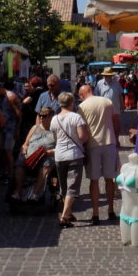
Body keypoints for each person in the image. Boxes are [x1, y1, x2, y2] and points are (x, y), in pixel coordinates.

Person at [78, 83, 121, 224]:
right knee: (110, 179)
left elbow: (82, 129)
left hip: (92, 145)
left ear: (83, 93)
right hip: (109, 143)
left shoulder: (82, 107)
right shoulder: (107, 101)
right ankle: (111, 210)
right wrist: (116, 137)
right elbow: (116, 122)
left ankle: (96, 213)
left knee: (94, 180)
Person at [50, 91, 89, 227]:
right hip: (74, 154)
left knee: (64, 187)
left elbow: (54, 138)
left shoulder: (54, 119)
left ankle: (68, 211)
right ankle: (65, 216)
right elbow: (82, 137)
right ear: (72, 103)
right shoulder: (76, 117)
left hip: (59, 155)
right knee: (72, 187)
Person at [12, 105, 56, 201]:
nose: (41, 118)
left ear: (51, 117)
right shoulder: (34, 128)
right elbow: (25, 144)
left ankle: (35, 193)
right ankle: (18, 191)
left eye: (44, 116)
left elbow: (60, 149)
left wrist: (48, 152)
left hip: (46, 156)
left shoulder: (55, 131)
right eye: (40, 115)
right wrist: (23, 150)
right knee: (20, 162)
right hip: (30, 156)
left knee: (47, 163)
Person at [116, 153, 138, 247]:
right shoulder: (124, 167)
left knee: (136, 244)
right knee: (125, 241)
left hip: (136, 211)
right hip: (124, 210)